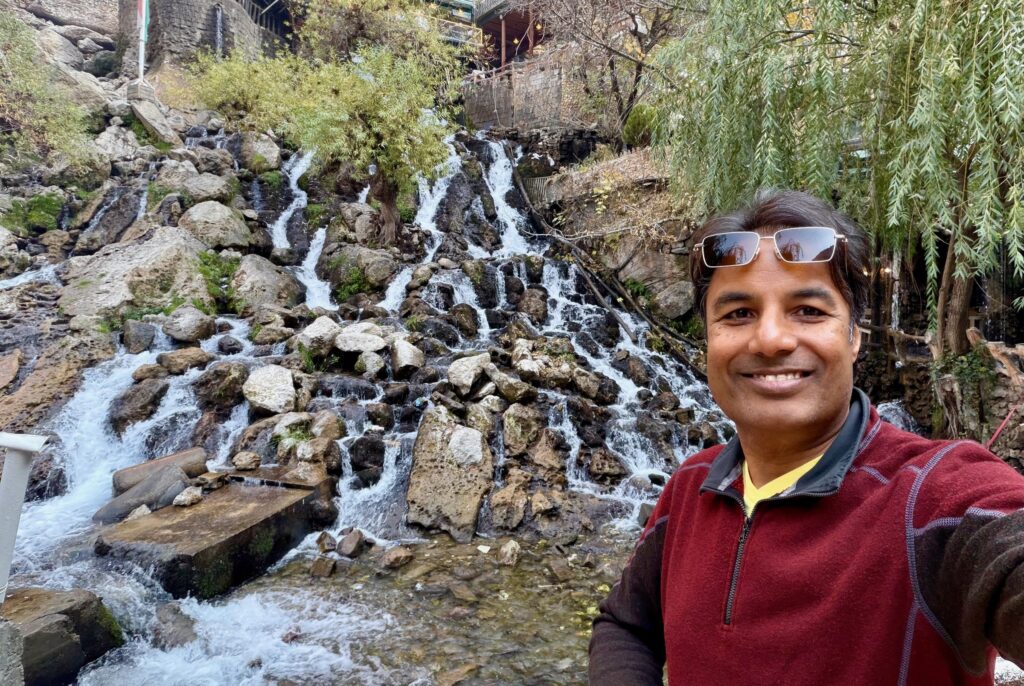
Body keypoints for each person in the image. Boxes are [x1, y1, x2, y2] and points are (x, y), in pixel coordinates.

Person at [588, 190, 1024, 685]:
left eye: (809, 311)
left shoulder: (936, 501)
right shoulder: (689, 487)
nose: (772, 339)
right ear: (708, 338)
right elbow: (625, 624)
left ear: (855, 335)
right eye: (738, 314)